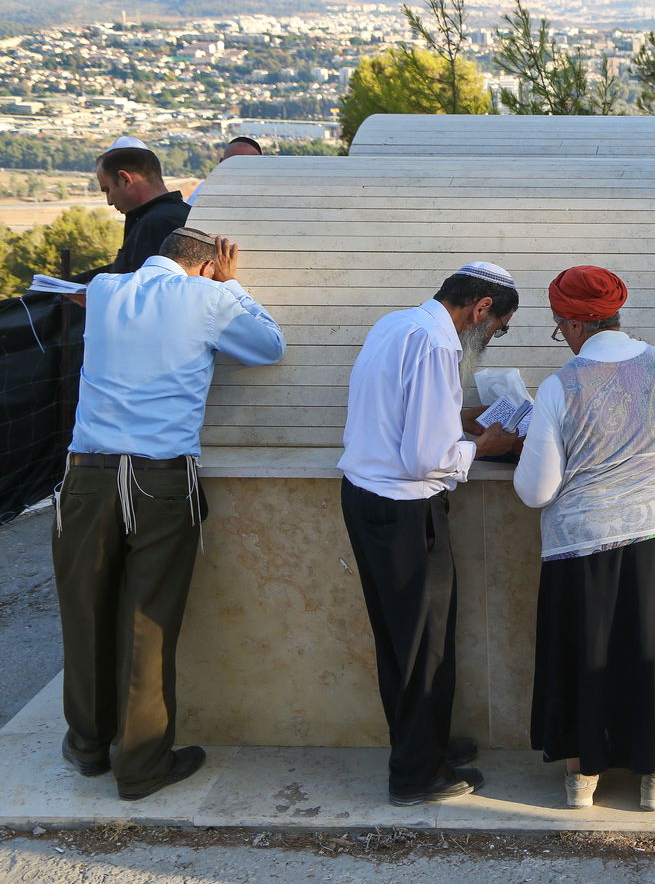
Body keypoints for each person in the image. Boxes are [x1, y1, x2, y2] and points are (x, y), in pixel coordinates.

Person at [52, 227, 285, 799]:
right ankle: (141, 764)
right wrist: (232, 288)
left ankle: (87, 745)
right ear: (206, 266)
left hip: (86, 475)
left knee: (84, 611)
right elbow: (269, 346)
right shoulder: (208, 296)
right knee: (147, 620)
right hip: (159, 478)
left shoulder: (104, 289)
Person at [514, 265, 655, 812]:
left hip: (583, 544)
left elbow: (536, 491)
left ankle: (581, 781)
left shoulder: (559, 386)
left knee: (584, 654)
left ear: (570, 323)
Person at [338, 261, 521, 807]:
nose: (489, 338)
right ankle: (417, 774)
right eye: (498, 328)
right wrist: (484, 446)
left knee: (400, 640)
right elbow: (426, 458)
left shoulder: (396, 324)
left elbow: (399, 411)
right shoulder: (440, 345)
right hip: (406, 511)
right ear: (481, 308)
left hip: (365, 498)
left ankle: (423, 743)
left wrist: (457, 417)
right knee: (424, 646)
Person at [95, 146, 191, 274]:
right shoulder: (180, 213)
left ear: (125, 179)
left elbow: (144, 281)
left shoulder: (155, 223)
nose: (109, 201)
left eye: (107, 190)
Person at [187, 137, 262, 206]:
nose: (239, 170)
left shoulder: (266, 191)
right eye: (233, 163)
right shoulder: (205, 191)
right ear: (221, 163)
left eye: (246, 164)